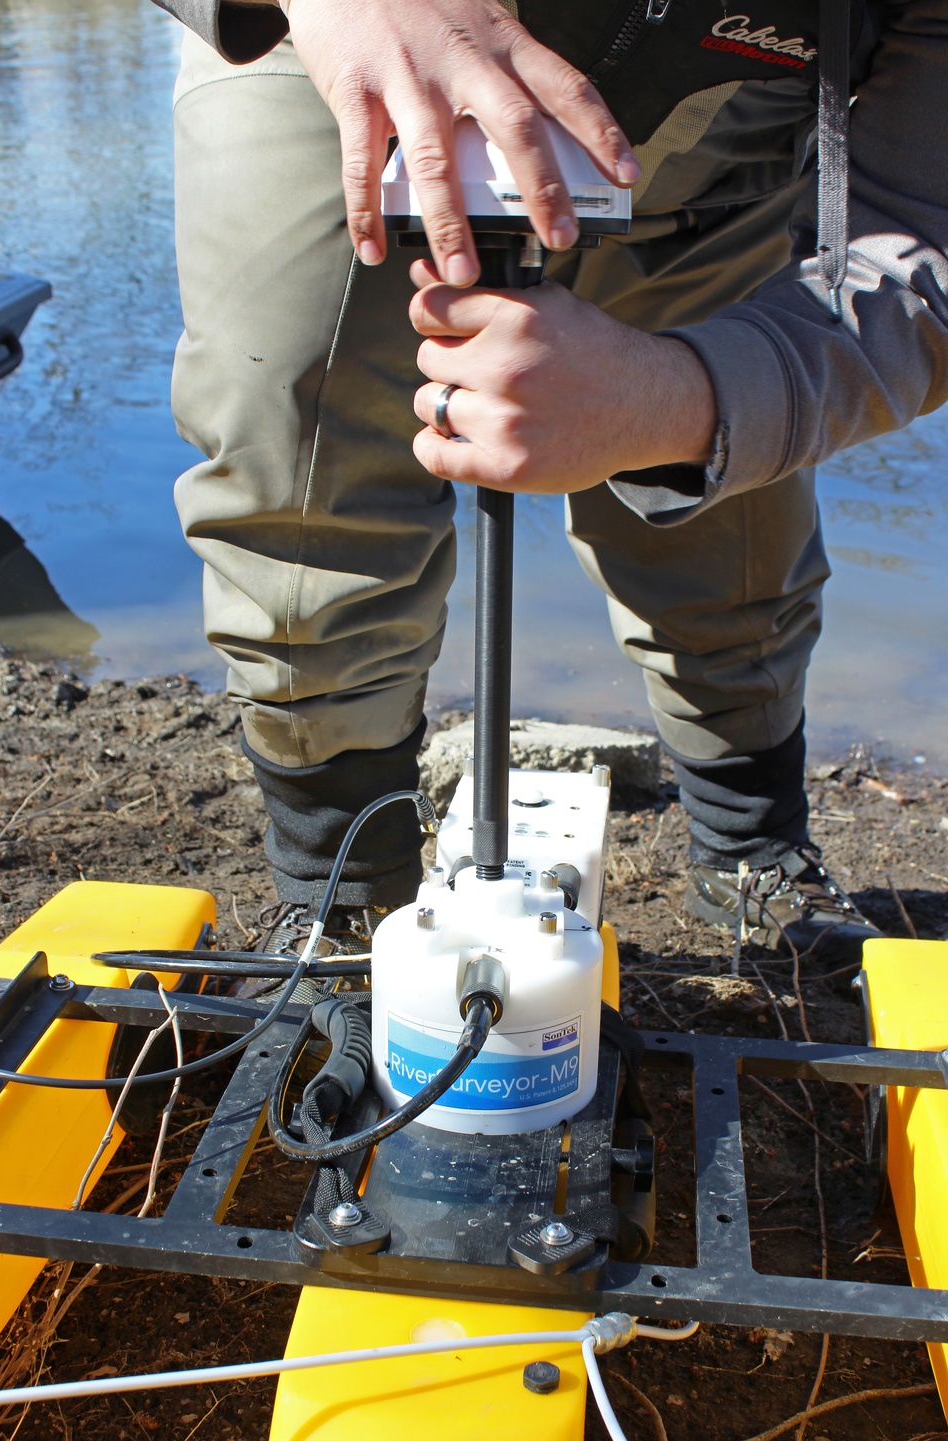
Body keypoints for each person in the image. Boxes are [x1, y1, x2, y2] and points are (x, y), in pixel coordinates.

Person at [154, 0, 947, 962]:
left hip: (723, 140)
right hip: (338, 63)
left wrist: (680, 400)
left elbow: (922, 234)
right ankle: (343, 893)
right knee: (294, 468)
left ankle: (749, 848)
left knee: (727, 508)